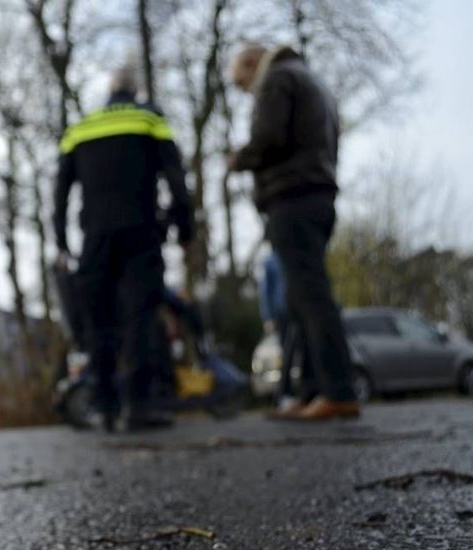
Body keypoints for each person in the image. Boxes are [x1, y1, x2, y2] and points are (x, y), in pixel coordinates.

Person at [54, 67, 194, 431]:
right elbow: (177, 178)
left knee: (98, 322)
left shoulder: (81, 127)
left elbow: (60, 190)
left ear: (109, 91)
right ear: (136, 90)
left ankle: (103, 407)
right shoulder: (150, 118)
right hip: (141, 232)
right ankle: (138, 405)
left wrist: (61, 241)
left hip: (95, 238)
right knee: (140, 317)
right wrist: (184, 226)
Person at [228, 44, 359, 421]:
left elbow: (269, 137)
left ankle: (338, 389)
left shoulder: (278, 78)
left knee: (310, 296)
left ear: (253, 65)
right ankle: (314, 391)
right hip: (317, 195)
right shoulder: (310, 80)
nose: (246, 92)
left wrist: (241, 159)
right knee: (302, 298)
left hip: (293, 197)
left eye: (242, 83)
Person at [258, 248, 299, 409]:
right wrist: (268, 317)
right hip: (282, 313)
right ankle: (283, 394)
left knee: (302, 354)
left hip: (299, 311)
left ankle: (304, 393)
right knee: (287, 354)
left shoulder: (296, 254)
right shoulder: (271, 260)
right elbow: (265, 291)